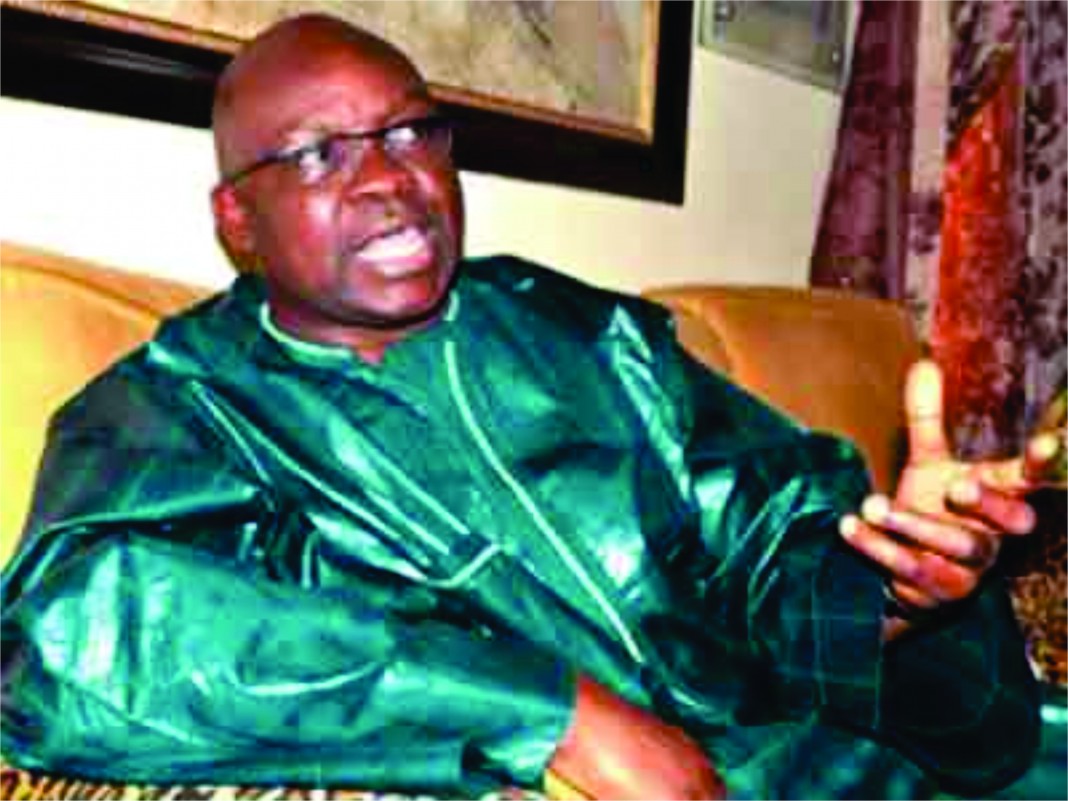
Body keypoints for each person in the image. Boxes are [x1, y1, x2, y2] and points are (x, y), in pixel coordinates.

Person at [0, 14, 1058, 800]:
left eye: (411, 134)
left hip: (812, 758)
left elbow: (763, 535)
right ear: (237, 218)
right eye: (319, 154)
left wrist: (891, 585)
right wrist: (551, 711)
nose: (388, 180)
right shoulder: (180, 404)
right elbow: (73, 635)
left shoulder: (585, 335)